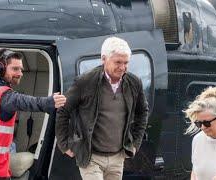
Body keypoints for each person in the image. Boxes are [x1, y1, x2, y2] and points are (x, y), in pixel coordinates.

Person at [0, 48, 66, 179]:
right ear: (0, 68)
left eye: (21, 69)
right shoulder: (3, 95)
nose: (20, 73)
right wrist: (48, 102)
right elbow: (24, 101)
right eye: (15, 69)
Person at [55, 37, 149, 180]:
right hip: (91, 157)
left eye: (126, 63)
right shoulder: (85, 82)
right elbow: (63, 110)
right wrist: (64, 144)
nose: (122, 67)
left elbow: (142, 112)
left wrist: (135, 143)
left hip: (118, 157)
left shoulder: (134, 82)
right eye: (118, 62)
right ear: (103, 59)